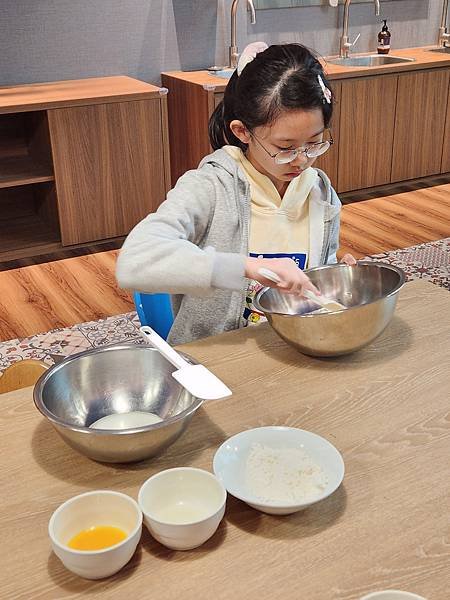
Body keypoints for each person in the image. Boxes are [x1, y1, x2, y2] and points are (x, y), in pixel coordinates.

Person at [116, 42, 356, 344]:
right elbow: (134, 263)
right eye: (285, 148)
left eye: (314, 143)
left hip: (292, 346)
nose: (302, 160)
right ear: (243, 132)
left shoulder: (320, 191)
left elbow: (315, 276)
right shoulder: (210, 187)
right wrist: (247, 267)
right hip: (218, 358)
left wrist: (333, 274)